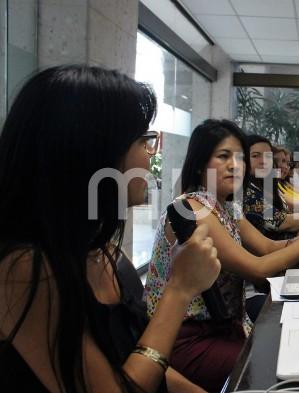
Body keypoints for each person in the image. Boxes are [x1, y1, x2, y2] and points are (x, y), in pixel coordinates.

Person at [0, 65, 218, 393]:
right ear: (91, 152)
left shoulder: (101, 250)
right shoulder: (23, 268)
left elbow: (139, 359)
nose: (151, 157)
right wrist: (180, 289)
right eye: (144, 141)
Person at [143, 119, 299, 391]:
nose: (236, 165)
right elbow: (257, 268)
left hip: (222, 327)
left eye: (241, 158)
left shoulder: (226, 206)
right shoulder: (193, 209)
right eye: (223, 156)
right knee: (281, 370)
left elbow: (267, 247)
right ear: (199, 164)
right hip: (184, 337)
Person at [243, 135, 299, 237]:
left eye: (268, 156)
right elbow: (282, 221)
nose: (264, 161)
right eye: (255, 156)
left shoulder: (267, 184)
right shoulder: (248, 192)